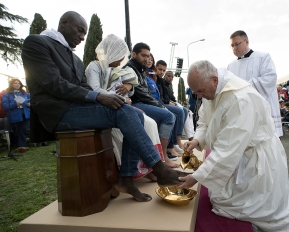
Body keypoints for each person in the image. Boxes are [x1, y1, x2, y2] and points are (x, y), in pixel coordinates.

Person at [21, 11, 185, 202]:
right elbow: (53, 83)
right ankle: (159, 168)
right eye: (80, 30)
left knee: (135, 113)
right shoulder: (37, 42)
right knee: (125, 113)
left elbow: (82, 87)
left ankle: (126, 178)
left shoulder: (74, 58)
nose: (83, 37)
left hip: (77, 107)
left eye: (85, 33)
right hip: (58, 112)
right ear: (63, 22)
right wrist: (98, 96)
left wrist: (101, 97)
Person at [179, 60, 289, 231]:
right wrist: (197, 140)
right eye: (196, 91)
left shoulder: (240, 98)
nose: (199, 95)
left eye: (200, 91)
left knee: (251, 206)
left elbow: (227, 150)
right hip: (236, 154)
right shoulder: (211, 90)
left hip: (254, 156)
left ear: (214, 79)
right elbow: (205, 121)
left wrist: (196, 178)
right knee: (224, 198)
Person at [85, 34, 164, 181]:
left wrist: (129, 87)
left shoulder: (114, 69)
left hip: (120, 105)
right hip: (106, 108)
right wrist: (123, 98)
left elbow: (129, 90)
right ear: (111, 53)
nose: (121, 60)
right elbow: (94, 90)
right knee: (127, 128)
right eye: (119, 56)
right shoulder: (94, 67)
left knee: (150, 123)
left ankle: (150, 167)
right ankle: (133, 171)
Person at [124, 42, 179, 168]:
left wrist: (159, 105)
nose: (147, 59)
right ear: (133, 54)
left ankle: (162, 156)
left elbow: (147, 93)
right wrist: (161, 106)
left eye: (148, 56)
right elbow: (141, 94)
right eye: (144, 55)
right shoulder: (130, 69)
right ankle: (163, 157)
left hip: (142, 102)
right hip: (136, 104)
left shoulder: (140, 69)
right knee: (169, 116)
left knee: (171, 114)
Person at [227, 30, 282, 137]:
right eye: (232, 45)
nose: (234, 48)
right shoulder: (230, 66)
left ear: (246, 42)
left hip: (261, 108)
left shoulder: (263, 57)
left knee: (266, 145)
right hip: (242, 111)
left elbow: (270, 78)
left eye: (237, 44)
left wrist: (243, 86)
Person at [154, 61, 187, 156]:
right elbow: (160, 98)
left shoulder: (163, 83)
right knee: (178, 112)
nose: (161, 72)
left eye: (163, 70)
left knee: (184, 110)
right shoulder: (158, 81)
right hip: (159, 103)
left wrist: (173, 102)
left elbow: (171, 98)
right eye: (160, 69)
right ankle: (174, 143)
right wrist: (168, 102)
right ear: (155, 68)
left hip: (161, 103)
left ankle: (176, 142)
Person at [1, 79, 30, 152]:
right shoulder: (6, 95)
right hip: (14, 116)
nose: (17, 85)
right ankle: (18, 145)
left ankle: (22, 146)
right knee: (16, 131)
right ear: (11, 84)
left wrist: (30, 104)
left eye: (19, 83)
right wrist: (15, 104)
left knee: (24, 130)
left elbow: (32, 101)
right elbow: (5, 106)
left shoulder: (25, 94)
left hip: (25, 114)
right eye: (15, 83)